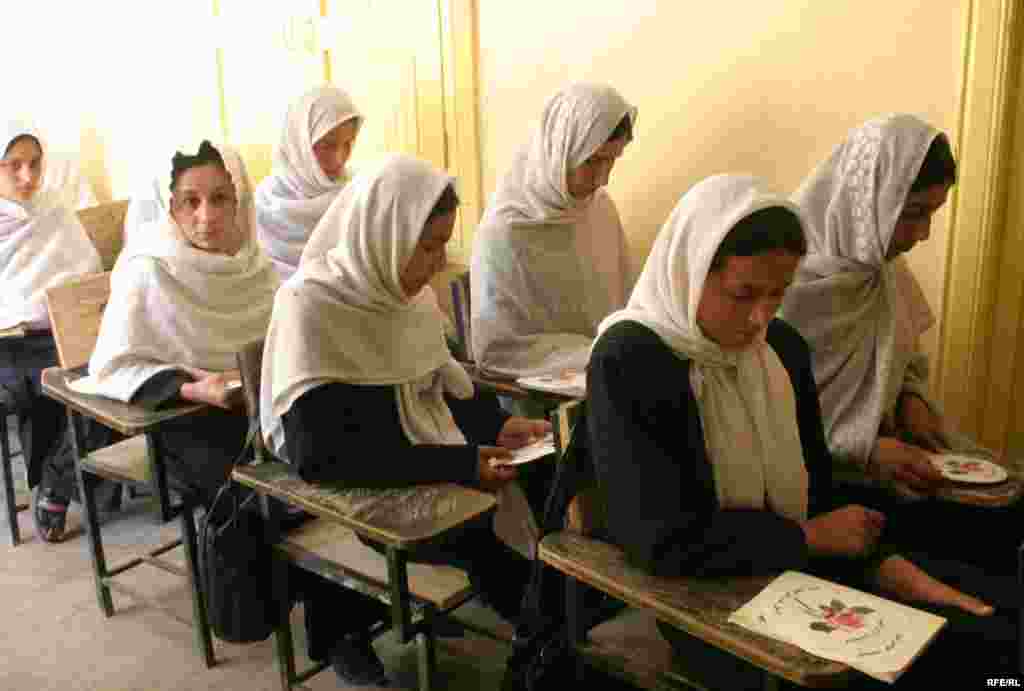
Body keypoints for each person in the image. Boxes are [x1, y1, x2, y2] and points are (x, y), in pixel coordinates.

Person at [587, 174, 1018, 686]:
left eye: (778, 293)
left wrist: (882, 562)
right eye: (743, 293)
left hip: (799, 568)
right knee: (962, 668)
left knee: (998, 624)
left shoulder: (780, 349)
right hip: (705, 599)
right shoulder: (633, 358)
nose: (760, 318)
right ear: (690, 269)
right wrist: (809, 537)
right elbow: (659, 539)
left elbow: (816, 486)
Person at [262, 153, 554, 686]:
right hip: (357, 480)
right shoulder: (311, 306)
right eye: (427, 247)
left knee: (543, 475)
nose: (438, 264)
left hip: (420, 453)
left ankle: (549, 630)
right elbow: (320, 455)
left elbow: (434, 382)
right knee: (483, 530)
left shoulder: (407, 298)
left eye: (442, 244)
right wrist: (462, 463)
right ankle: (547, 644)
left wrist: (495, 428)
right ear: (383, 234)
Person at [778, 115, 1022, 574]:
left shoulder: (881, 272)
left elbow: (903, 359)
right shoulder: (780, 280)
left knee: (1006, 508)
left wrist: (911, 398)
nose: (922, 233)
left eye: (931, 214)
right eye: (911, 214)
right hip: (812, 496)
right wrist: (862, 449)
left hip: (885, 469)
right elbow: (764, 419)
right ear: (865, 199)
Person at [72, 140, 278, 504]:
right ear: (169, 206)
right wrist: (191, 388)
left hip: (257, 406)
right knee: (243, 490)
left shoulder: (256, 266)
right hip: (185, 418)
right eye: (190, 201)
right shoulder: (149, 270)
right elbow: (114, 366)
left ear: (240, 199)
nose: (206, 216)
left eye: (220, 198)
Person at [470, 83, 635, 381]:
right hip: (535, 396)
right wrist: (596, 354)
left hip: (610, 371)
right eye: (594, 161)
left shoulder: (600, 210)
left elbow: (627, 308)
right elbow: (498, 351)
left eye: (612, 160)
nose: (604, 178)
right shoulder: (506, 228)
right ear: (561, 149)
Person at [0, 121, 106, 542]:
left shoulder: (53, 210)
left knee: (114, 376)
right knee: (75, 383)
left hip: (65, 331)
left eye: (35, 165)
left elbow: (88, 269)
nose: (28, 177)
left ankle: (57, 480)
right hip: (10, 347)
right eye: (14, 166)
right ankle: (62, 481)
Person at [255, 86, 362, 280]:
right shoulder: (263, 204)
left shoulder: (359, 193)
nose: (340, 158)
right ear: (299, 142)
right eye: (328, 145)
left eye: (348, 144)